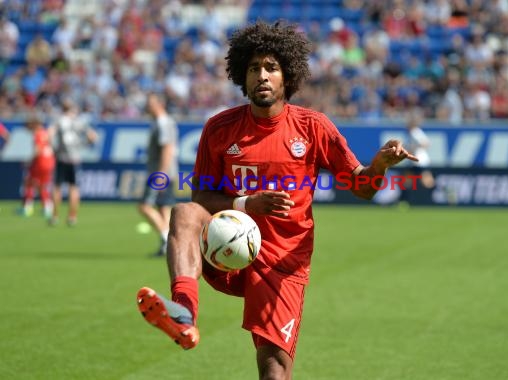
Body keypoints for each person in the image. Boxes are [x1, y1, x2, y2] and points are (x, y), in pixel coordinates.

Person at [136, 21, 417, 380]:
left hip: (283, 263)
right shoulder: (219, 128)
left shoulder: (313, 127)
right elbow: (202, 196)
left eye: (271, 67)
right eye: (254, 68)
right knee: (184, 212)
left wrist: (378, 164)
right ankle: (184, 313)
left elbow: (361, 186)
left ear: (288, 75)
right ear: (243, 75)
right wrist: (246, 205)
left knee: (273, 370)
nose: (262, 76)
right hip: (226, 250)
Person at [139, 93, 179, 256]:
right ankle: (169, 245)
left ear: (159, 104)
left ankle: (166, 239)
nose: (147, 106)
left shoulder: (163, 123)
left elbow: (167, 149)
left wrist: (160, 175)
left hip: (161, 173)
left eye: (150, 103)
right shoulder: (161, 122)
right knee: (164, 208)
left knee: (144, 206)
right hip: (166, 172)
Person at [48, 99, 98, 226]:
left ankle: (54, 216)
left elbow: (49, 134)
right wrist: (83, 145)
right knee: (74, 188)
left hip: (61, 157)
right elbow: (93, 137)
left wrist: (54, 148)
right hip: (75, 158)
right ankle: (72, 217)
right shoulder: (79, 122)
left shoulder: (59, 120)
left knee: (57, 187)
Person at [20, 116, 55, 218]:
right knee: (41, 185)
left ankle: (27, 208)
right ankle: (47, 207)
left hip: (40, 163)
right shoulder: (45, 133)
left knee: (29, 182)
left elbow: (38, 150)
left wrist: (28, 161)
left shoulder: (38, 134)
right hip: (49, 162)